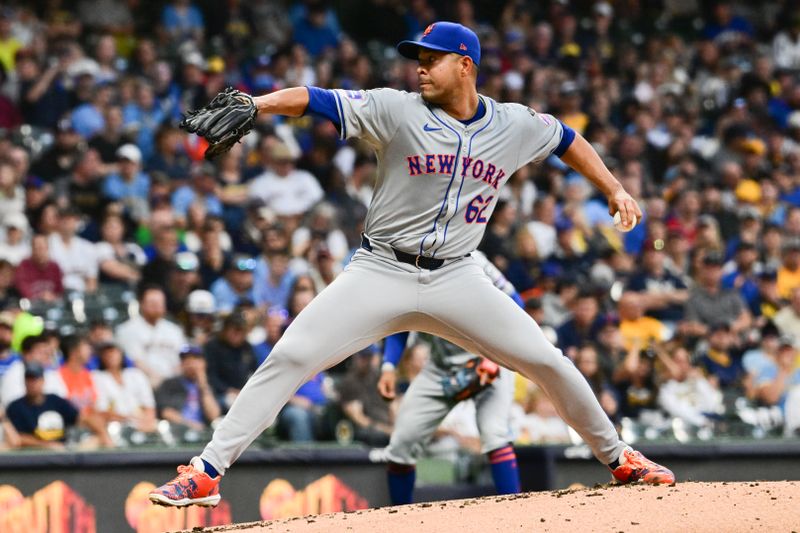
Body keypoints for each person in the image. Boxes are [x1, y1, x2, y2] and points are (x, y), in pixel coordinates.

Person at [150, 22, 673, 508]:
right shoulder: (395, 109)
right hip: (381, 270)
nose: (419, 67)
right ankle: (206, 471)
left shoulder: (512, 123)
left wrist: (615, 188)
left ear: (465, 65)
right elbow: (314, 99)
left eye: (432, 59)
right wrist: (257, 103)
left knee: (548, 362)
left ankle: (619, 458)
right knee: (290, 356)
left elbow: (566, 139)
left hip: (457, 275)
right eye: (417, 59)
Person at [377, 251, 523, 505]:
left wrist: (500, 351)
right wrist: (388, 366)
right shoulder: (409, 267)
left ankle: (518, 518)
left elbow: (515, 302)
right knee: (401, 445)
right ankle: (398, 520)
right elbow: (401, 322)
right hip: (441, 368)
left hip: (487, 357)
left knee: (495, 434)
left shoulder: (475, 259)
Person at [115, 285, 186, 387]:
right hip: (143, 382)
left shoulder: (175, 330)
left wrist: (171, 380)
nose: (156, 306)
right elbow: (134, 361)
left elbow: (182, 360)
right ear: (142, 304)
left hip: (174, 383)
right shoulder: (127, 329)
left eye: (159, 303)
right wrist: (159, 380)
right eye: (152, 303)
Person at [155, 345, 221, 432]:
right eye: (185, 359)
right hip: (178, 431)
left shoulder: (209, 385)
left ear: (204, 363)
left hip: (204, 433)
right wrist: (190, 425)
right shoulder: (169, 383)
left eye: (195, 359)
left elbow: (214, 416)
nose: (190, 363)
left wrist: (203, 385)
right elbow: (166, 412)